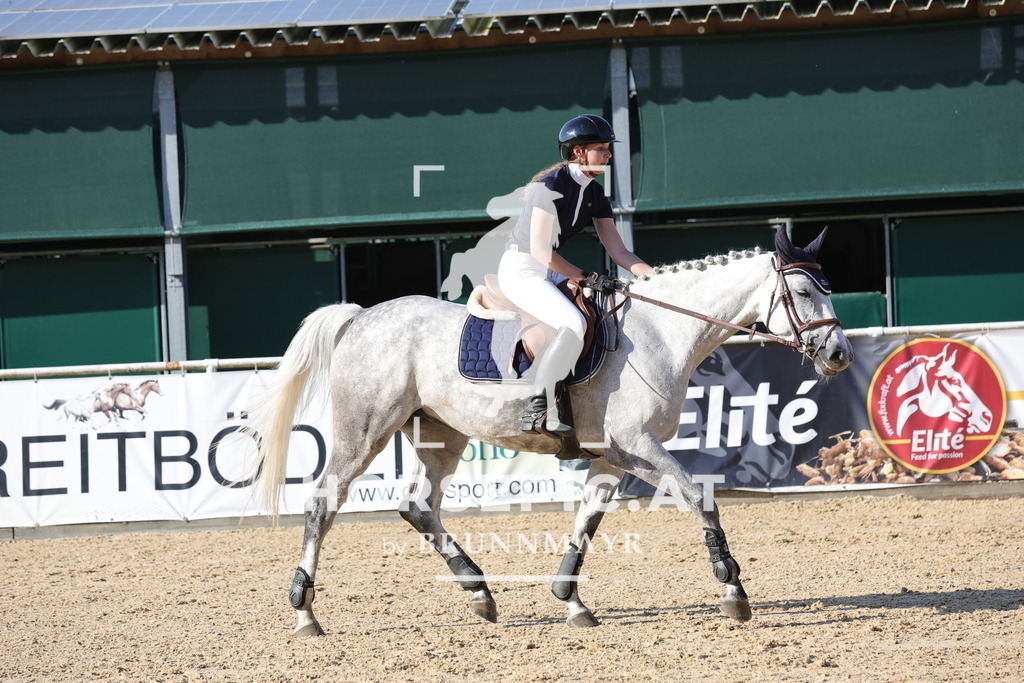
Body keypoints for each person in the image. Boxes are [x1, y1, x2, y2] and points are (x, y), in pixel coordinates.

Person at [497, 114, 654, 437]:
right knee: (575, 323)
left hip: (548, 272)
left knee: (598, 316)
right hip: (520, 269)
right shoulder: (550, 186)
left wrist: (659, 279)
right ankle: (538, 409)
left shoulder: (595, 194)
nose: (608, 154)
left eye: (608, 148)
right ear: (579, 151)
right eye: (601, 148)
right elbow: (540, 251)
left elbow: (620, 252)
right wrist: (585, 276)